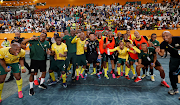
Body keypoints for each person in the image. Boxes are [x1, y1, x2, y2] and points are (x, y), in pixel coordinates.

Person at [156, 31, 180, 96]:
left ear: (171, 35)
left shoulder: (178, 39)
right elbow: (161, 54)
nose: (165, 37)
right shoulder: (163, 44)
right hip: (174, 58)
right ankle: (175, 89)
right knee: (171, 73)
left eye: (167, 35)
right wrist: (158, 51)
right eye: (163, 36)